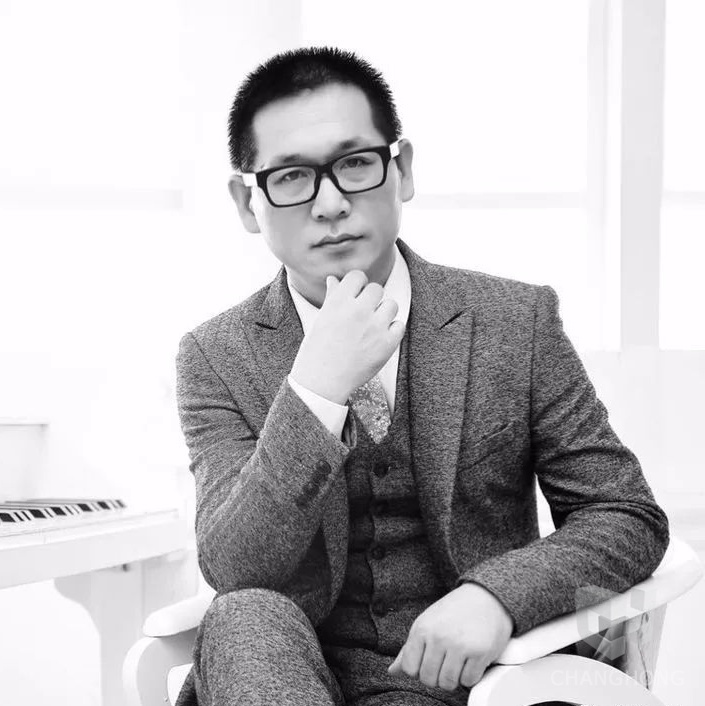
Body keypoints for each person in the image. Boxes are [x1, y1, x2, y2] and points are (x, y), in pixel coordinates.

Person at [174, 46, 669, 706]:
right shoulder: (213, 354)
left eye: (355, 163)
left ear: (401, 169)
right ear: (247, 201)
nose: (329, 204)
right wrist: (315, 390)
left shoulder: (515, 321)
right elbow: (235, 566)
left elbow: (624, 514)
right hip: (286, 680)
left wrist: (495, 596)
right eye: (291, 177)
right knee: (243, 614)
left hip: (467, 685)